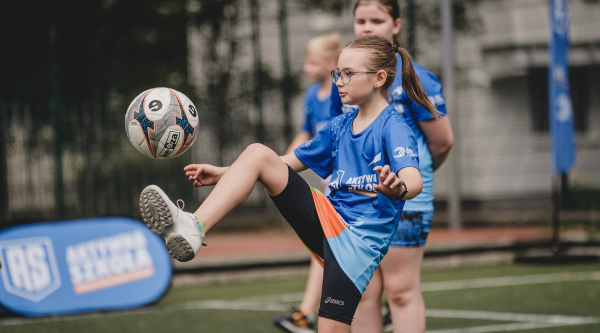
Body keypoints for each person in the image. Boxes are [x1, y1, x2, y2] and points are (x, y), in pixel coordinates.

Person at [139, 34, 437, 333]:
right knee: (258, 153)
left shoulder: (394, 126)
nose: (339, 81)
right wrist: (226, 172)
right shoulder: (340, 125)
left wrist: (396, 188)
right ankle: (194, 225)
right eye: (338, 73)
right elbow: (285, 161)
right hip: (328, 219)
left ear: (379, 78)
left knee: (331, 330)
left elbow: (413, 179)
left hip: (357, 243)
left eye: (348, 73)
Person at [347, 1, 454, 333]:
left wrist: (411, 179)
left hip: (405, 202)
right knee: (362, 293)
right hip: (355, 201)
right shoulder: (349, 75)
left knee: (401, 291)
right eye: (360, 20)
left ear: (396, 25)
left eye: (376, 20)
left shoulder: (416, 78)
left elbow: (442, 142)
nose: (366, 27)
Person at [274, 33, 342, 333]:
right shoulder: (312, 95)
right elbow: (306, 134)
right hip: (328, 182)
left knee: (329, 248)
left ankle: (306, 313)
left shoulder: (343, 94)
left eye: (312, 62)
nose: (306, 67)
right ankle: (307, 313)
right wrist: (277, 164)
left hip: (346, 183)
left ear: (331, 64)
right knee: (325, 248)